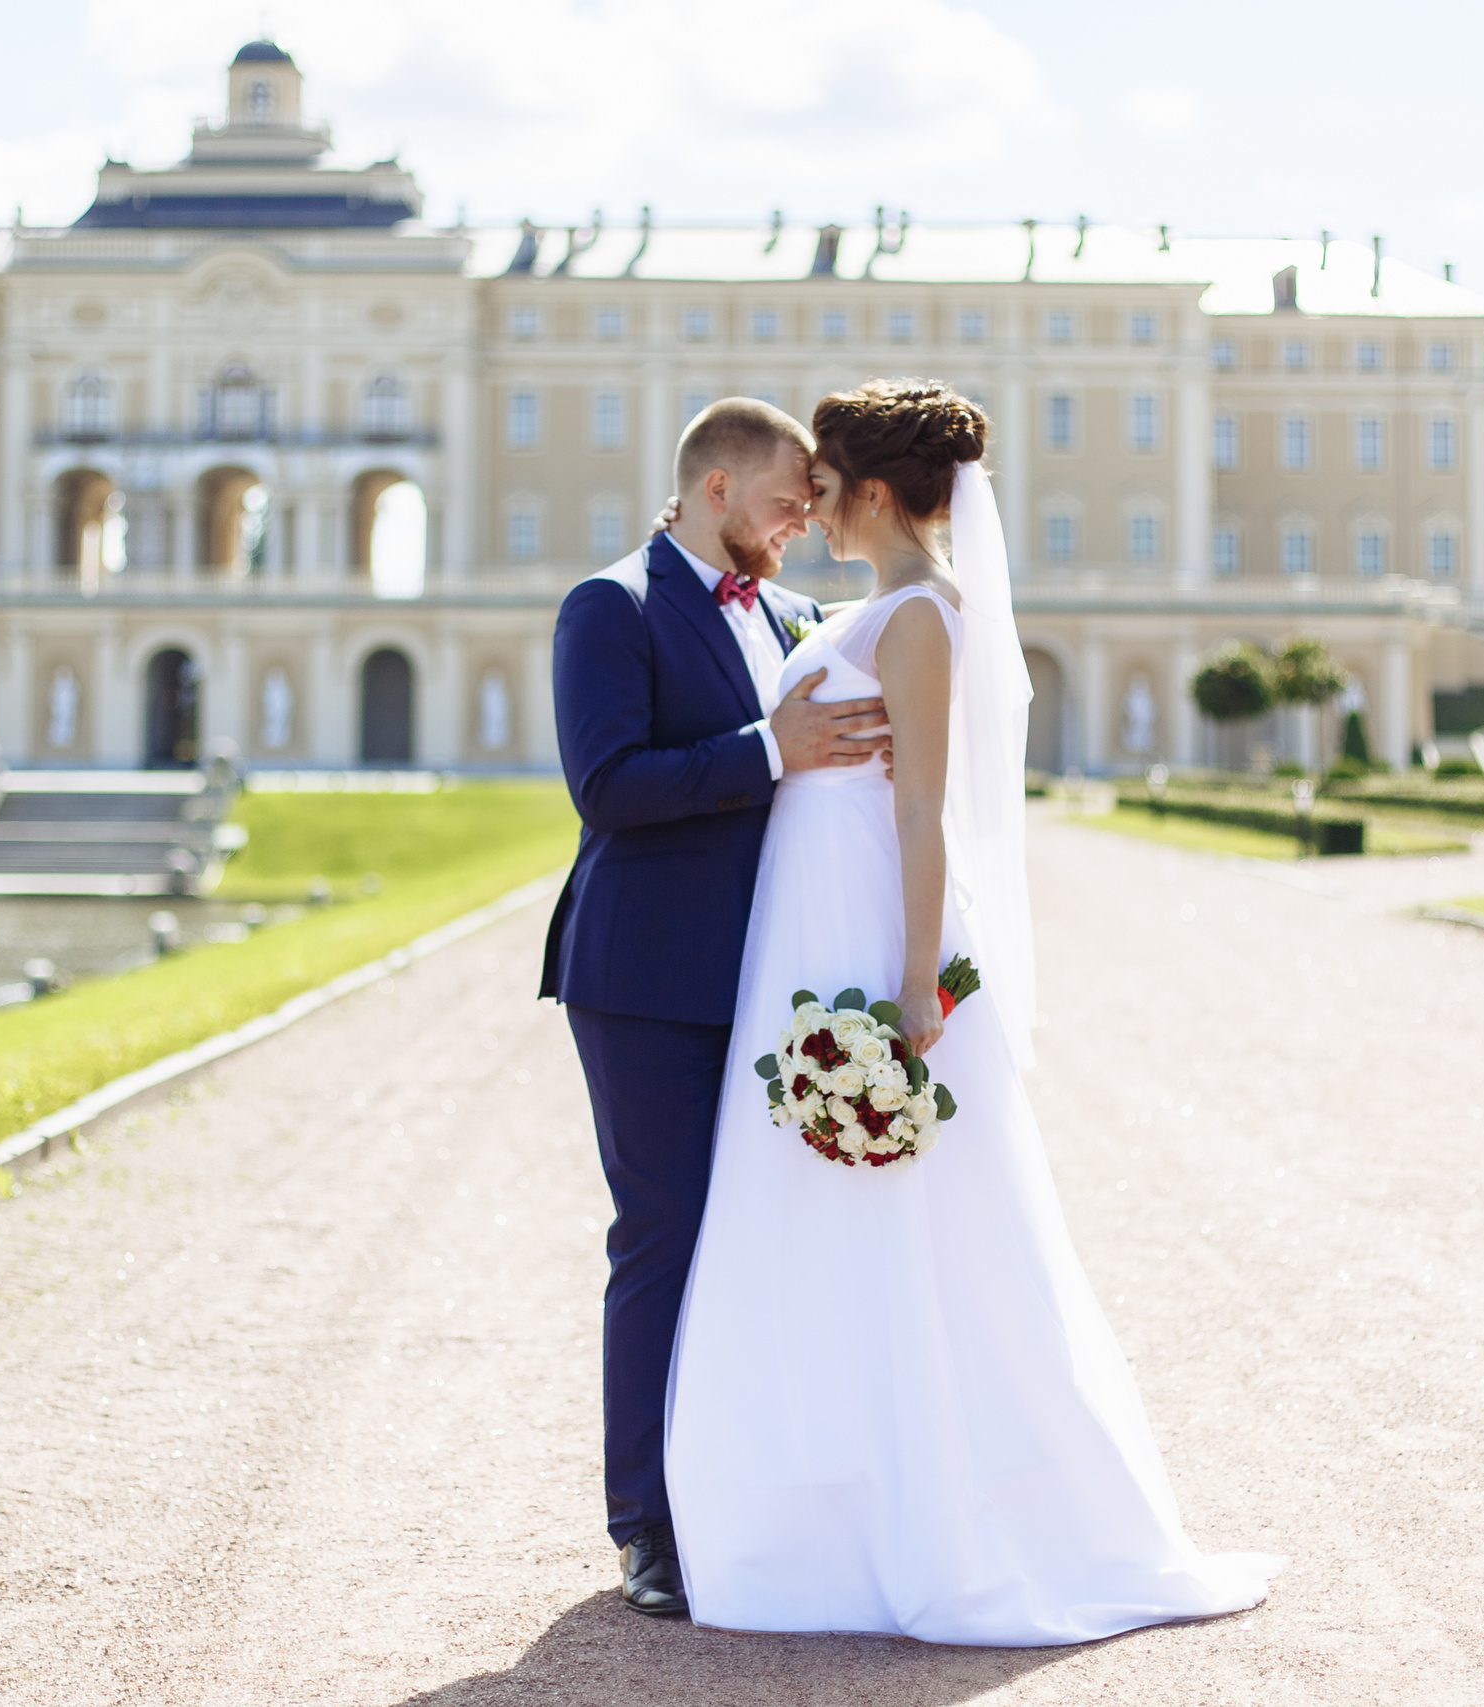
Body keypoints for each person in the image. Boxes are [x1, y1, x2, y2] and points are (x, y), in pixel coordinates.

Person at [663, 379, 1278, 1644]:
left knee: (919, 1227)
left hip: (863, 945)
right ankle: (822, 1513)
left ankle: (926, 1514)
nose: (809, 503)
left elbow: (923, 809)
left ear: (875, 492)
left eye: (823, 482)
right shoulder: (870, 608)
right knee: (813, 1216)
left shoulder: (921, 620)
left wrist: (909, 982)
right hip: (805, 937)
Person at [540, 397, 893, 1617]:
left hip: (770, 983)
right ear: (715, 489)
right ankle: (647, 1524)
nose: (805, 518)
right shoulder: (611, 607)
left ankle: (748, 1491)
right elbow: (607, 787)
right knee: (665, 1237)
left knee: (763, 1240)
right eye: (789, 498)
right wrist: (769, 748)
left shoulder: (797, 617)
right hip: (644, 982)